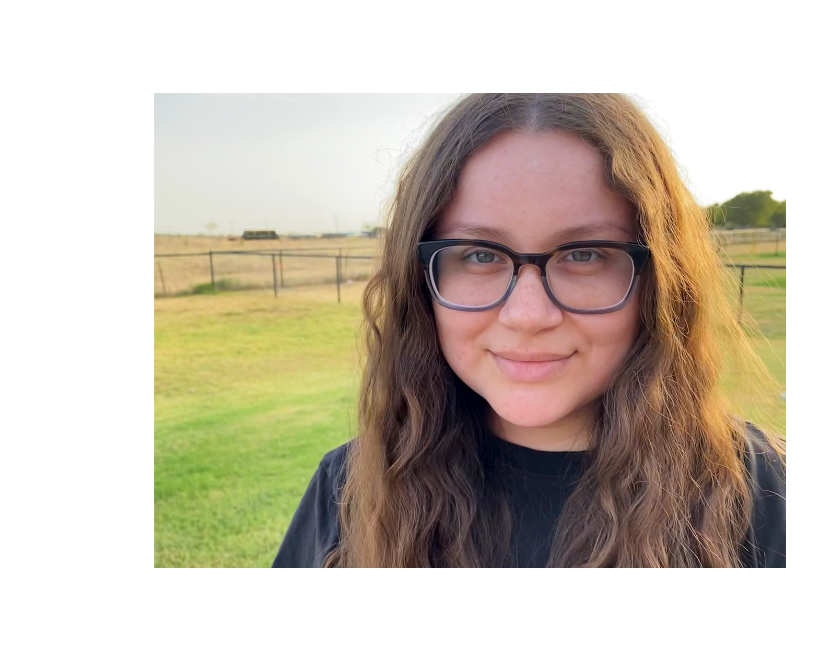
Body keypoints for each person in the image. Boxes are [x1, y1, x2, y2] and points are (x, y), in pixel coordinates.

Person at [273, 93, 785, 568]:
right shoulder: (351, 488)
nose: (528, 315)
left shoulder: (770, 495)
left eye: (585, 254)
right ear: (420, 283)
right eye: (478, 255)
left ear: (660, 281)